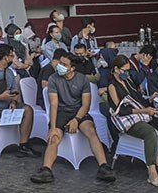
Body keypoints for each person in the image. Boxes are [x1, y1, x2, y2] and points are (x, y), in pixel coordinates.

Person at [30, 53, 116, 184]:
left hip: (78, 112)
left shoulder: (82, 80)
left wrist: (76, 119)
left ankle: (103, 167)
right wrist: (52, 128)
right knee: (54, 138)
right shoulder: (53, 79)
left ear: (72, 68)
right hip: (61, 113)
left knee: (91, 132)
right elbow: (53, 104)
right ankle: (46, 169)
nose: (60, 66)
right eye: (60, 63)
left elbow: (86, 105)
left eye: (64, 65)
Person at [108, 55, 158, 187]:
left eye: (128, 70)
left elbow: (138, 99)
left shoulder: (127, 80)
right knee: (150, 133)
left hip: (144, 113)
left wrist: (150, 99)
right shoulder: (112, 85)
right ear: (116, 69)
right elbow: (120, 110)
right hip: (129, 119)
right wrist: (144, 111)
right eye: (124, 70)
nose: (127, 73)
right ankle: (152, 172)